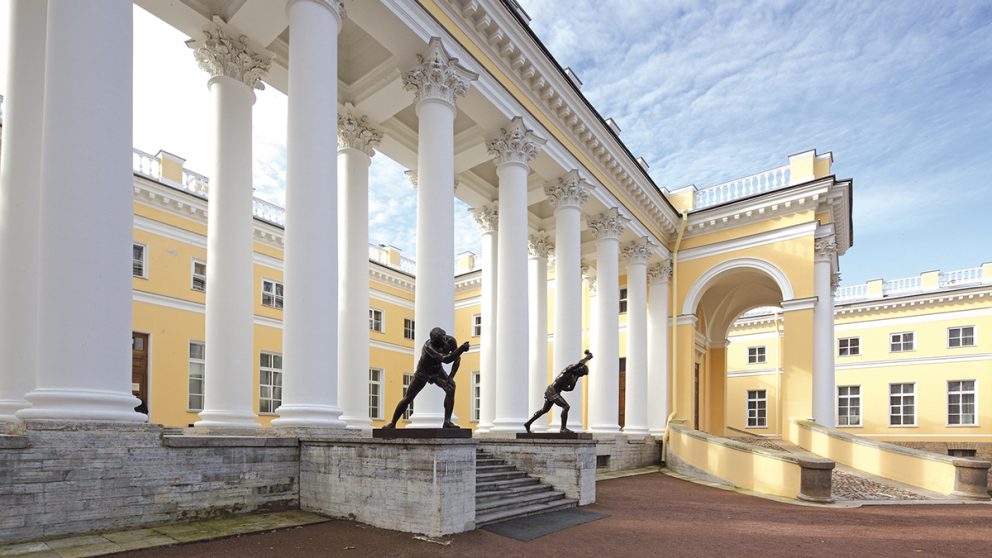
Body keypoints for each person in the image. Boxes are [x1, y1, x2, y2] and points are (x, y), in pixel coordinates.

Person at [383, 327, 470, 429]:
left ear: (445, 335)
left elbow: (457, 359)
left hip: (437, 370)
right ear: (433, 341)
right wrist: (461, 349)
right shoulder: (428, 347)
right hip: (423, 372)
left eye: (443, 339)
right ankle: (393, 423)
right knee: (408, 398)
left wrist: (451, 376)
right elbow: (446, 359)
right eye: (439, 342)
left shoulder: (450, 341)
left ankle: (447, 422)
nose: (443, 343)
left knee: (451, 387)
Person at [524, 350, 593, 433]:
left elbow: (571, 389)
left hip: (553, 391)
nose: (582, 376)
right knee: (566, 407)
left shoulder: (575, 376)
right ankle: (563, 428)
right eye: (582, 374)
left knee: (544, 410)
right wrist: (587, 358)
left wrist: (565, 386)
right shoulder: (569, 369)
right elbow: (580, 363)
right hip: (552, 390)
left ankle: (528, 423)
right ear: (579, 370)